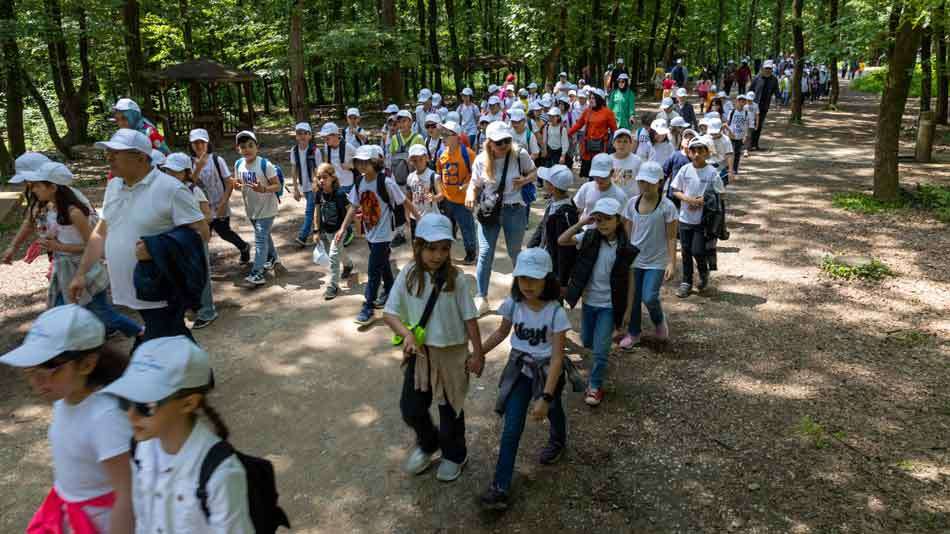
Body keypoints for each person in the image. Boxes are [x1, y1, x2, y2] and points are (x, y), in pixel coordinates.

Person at [1, 305, 133, 534]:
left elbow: (127, 494)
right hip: (68, 512)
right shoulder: (63, 401)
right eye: (31, 371)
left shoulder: (106, 418)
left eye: (48, 371)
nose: (36, 382)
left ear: (87, 364)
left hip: (101, 522)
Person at [103, 336, 255, 533]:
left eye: (146, 405)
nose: (130, 414)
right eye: (125, 400)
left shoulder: (220, 473)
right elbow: (143, 519)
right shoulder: (140, 448)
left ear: (188, 403)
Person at [70, 129, 207, 344]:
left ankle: (190, 365)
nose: (109, 157)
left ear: (141, 157)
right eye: (108, 152)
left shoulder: (171, 189)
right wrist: (81, 273)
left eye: (116, 153)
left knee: (166, 342)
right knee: (169, 342)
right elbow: (101, 232)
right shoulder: (114, 185)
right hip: (130, 289)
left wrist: (157, 248)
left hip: (160, 290)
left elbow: (201, 233)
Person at [383, 213, 483, 483]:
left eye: (444, 248)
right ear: (418, 246)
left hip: (451, 354)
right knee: (411, 407)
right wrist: (407, 335)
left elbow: (470, 319)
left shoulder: (456, 279)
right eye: (431, 248)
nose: (438, 255)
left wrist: (478, 354)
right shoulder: (408, 274)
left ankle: (455, 454)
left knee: (450, 411)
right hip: (421, 353)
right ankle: (429, 443)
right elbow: (390, 313)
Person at [478, 248, 571, 510]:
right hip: (519, 371)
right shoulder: (513, 304)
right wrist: (478, 353)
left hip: (547, 374)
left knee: (553, 411)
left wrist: (546, 397)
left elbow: (557, 358)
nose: (527, 284)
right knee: (512, 427)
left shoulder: (555, 313)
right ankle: (500, 487)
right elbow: (501, 333)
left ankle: (558, 440)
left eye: (534, 278)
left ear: (547, 280)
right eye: (522, 278)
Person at [6, 162, 144, 338]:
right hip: (63, 270)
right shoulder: (49, 208)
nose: (33, 190)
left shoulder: (74, 213)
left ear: (53, 187)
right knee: (58, 310)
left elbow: (93, 244)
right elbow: (33, 224)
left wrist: (59, 247)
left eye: (38, 186)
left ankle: (140, 332)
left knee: (103, 314)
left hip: (85, 271)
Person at [558, 197, 635, 406]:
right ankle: (601, 353)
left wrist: (628, 310)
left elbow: (630, 281)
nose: (603, 224)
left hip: (609, 305)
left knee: (600, 350)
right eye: (599, 219)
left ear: (618, 220)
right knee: (587, 341)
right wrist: (583, 222)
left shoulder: (624, 247)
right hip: (589, 302)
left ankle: (595, 385)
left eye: (608, 219)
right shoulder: (589, 237)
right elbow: (562, 240)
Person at [339, 145, 419, 325]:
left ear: (375, 162)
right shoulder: (359, 182)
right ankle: (391, 289)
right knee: (382, 264)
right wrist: (343, 228)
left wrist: (420, 219)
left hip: (384, 233)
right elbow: (353, 206)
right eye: (359, 162)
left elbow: (404, 201)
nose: (361, 165)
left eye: (366, 162)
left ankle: (368, 306)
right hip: (370, 231)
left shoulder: (386, 182)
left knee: (373, 269)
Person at [465, 121, 537, 315]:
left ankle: (521, 294)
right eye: (499, 142)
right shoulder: (481, 160)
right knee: (485, 253)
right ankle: (481, 296)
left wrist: (525, 180)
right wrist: (470, 194)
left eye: (507, 140)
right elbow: (474, 183)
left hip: (515, 210)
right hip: (490, 212)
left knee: (515, 252)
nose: (504, 145)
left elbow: (534, 172)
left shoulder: (519, 154)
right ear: (489, 142)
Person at [619, 161, 677, 349]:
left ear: (659, 182)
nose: (645, 185)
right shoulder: (631, 204)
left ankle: (659, 321)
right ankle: (634, 333)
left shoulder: (667, 207)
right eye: (642, 181)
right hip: (635, 260)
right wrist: (623, 257)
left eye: (650, 182)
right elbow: (626, 232)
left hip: (657, 261)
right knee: (633, 298)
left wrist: (671, 262)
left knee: (649, 296)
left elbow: (671, 237)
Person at [162, 153, 218, 329]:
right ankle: (191, 307)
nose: (171, 175)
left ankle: (207, 311)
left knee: (201, 275)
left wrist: (192, 224)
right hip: (174, 239)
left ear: (186, 172)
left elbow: (208, 215)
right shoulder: (164, 191)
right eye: (168, 171)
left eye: (176, 171)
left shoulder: (194, 190)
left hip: (195, 239)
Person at [671, 138, 724, 298]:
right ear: (689, 153)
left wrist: (704, 200)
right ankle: (686, 281)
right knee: (685, 251)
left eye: (700, 151)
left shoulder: (712, 172)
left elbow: (720, 193)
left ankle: (703, 272)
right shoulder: (685, 170)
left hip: (702, 220)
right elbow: (675, 190)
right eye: (693, 151)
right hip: (685, 218)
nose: (696, 154)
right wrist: (688, 199)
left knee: (698, 250)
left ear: (707, 153)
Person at [190, 128, 250, 265]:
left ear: (207, 143)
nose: (199, 145)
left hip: (218, 204)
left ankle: (244, 247)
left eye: (202, 142)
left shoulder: (217, 160)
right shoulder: (188, 162)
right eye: (195, 143)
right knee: (203, 235)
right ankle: (201, 263)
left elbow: (229, 183)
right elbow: (188, 185)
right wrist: (198, 167)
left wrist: (223, 203)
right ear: (191, 145)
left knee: (224, 232)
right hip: (200, 208)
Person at [232, 130, 281, 287]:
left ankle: (257, 273)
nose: (247, 149)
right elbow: (239, 185)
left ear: (256, 147)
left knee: (260, 239)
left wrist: (264, 189)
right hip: (252, 209)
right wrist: (236, 185)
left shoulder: (265, 165)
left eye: (250, 145)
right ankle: (272, 257)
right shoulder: (239, 164)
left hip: (267, 209)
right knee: (264, 236)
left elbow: (277, 185)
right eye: (243, 146)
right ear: (238, 149)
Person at [527, 166, 578, 290]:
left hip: (553, 268)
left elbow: (565, 251)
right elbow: (543, 226)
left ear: (552, 187)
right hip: (543, 259)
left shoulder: (565, 214)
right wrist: (531, 246)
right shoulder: (553, 203)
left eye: (546, 180)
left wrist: (562, 281)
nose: (543, 181)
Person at [436, 121, 478, 264]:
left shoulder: (468, 154)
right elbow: (439, 175)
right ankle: (445, 254)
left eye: (446, 134)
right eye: (442, 134)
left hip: (462, 200)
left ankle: (471, 253)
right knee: (447, 228)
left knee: (467, 228)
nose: (443, 137)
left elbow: (477, 174)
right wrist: (440, 193)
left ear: (457, 137)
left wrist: (469, 185)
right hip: (447, 199)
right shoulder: (441, 154)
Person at [313, 163, 354, 300]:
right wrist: (316, 231)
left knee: (333, 255)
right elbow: (317, 213)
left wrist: (350, 228)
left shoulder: (340, 194)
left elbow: (351, 210)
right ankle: (348, 265)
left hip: (340, 230)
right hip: (328, 231)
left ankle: (333, 285)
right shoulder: (319, 194)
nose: (321, 180)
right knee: (339, 251)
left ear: (332, 178)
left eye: (325, 177)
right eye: (319, 177)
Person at [319, 122, 359, 246]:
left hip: (347, 184)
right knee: (339, 210)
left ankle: (350, 232)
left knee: (346, 211)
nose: (325, 140)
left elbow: (360, 162)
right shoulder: (327, 147)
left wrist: (350, 166)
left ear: (336, 135)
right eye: (324, 138)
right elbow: (327, 163)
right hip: (335, 185)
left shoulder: (348, 147)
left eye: (327, 137)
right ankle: (346, 232)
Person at [568, 88, 617, 180]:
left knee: (600, 171)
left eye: (593, 98)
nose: (591, 100)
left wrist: (614, 145)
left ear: (599, 99)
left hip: (602, 147)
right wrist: (568, 133)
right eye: (590, 98)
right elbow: (579, 124)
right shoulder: (587, 111)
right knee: (590, 173)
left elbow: (614, 130)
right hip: (588, 147)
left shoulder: (608, 113)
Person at [573, 153, 628, 229]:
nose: (599, 180)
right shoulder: (586, 187)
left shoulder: (620, 195)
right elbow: (578, 209)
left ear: (612, 172)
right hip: (587, 231)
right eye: (596, 176)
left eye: (603, 177)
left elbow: (623, 219)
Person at [290, 122, 322, 247]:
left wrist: (317, 184)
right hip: (304, 186)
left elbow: (319, 170)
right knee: (316, 209)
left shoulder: (315, 151)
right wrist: (295, 189)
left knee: (309, 211)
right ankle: (320, 229)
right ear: (296, 136)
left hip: (314, 186)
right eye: (299, 133)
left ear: (310, 135)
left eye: (305, 133)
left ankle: (302, 237)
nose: (302, 136)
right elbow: (294, 169)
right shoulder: (294, 151)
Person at [406, 144, 441, 235]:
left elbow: (441, 195)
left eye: (421, 159)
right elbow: (408, 199)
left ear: (426, 158)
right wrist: (407, 215)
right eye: (415, 161)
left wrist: (434, 198)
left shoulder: (433, 176)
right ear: (411, 161)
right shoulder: (410, 177)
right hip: (414, 218)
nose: (418, 163)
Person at [748, 60, 781, 151]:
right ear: (763, 69)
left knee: (759, 125)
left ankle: (755, 144)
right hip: (754, 105)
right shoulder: (757, 78)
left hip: (764, 106)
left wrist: (778, 103)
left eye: (769, 68)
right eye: (766, 68)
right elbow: (750, 90)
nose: (768, 70)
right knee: (752, 124)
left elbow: (777, 92)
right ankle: (749, 144)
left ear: (772, 69)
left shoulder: (774, 79)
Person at [611, 129, 643, 199]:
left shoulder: (637, 161)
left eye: (625, 141)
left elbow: (641, 182)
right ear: (613, 143)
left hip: (631, 200)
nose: (622, 144)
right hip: (613, 199)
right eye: (619, 141)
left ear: (631, 144)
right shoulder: (608, 160)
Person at [702, 118, 735, 186]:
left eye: (715, 133)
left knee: (720, 187)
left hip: (721, 167)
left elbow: (729, 154)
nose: (713, 135)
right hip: (707, 166)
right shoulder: (704, 139)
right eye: (712, 133)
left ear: (721, 129)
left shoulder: (725, 140)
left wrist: (730, 171)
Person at [728, 95, 752, 174]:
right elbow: (728, 123)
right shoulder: (732, 112)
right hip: (731, 135)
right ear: (737, 102)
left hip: (740, 136)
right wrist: (728, 133)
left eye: (743, 101)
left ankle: (735, 169)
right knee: (730, 152)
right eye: (740, 101)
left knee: (737, 153)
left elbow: (747, 125)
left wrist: (746, 136)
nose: (741, 103)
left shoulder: (746, 113)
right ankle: (729, 168)